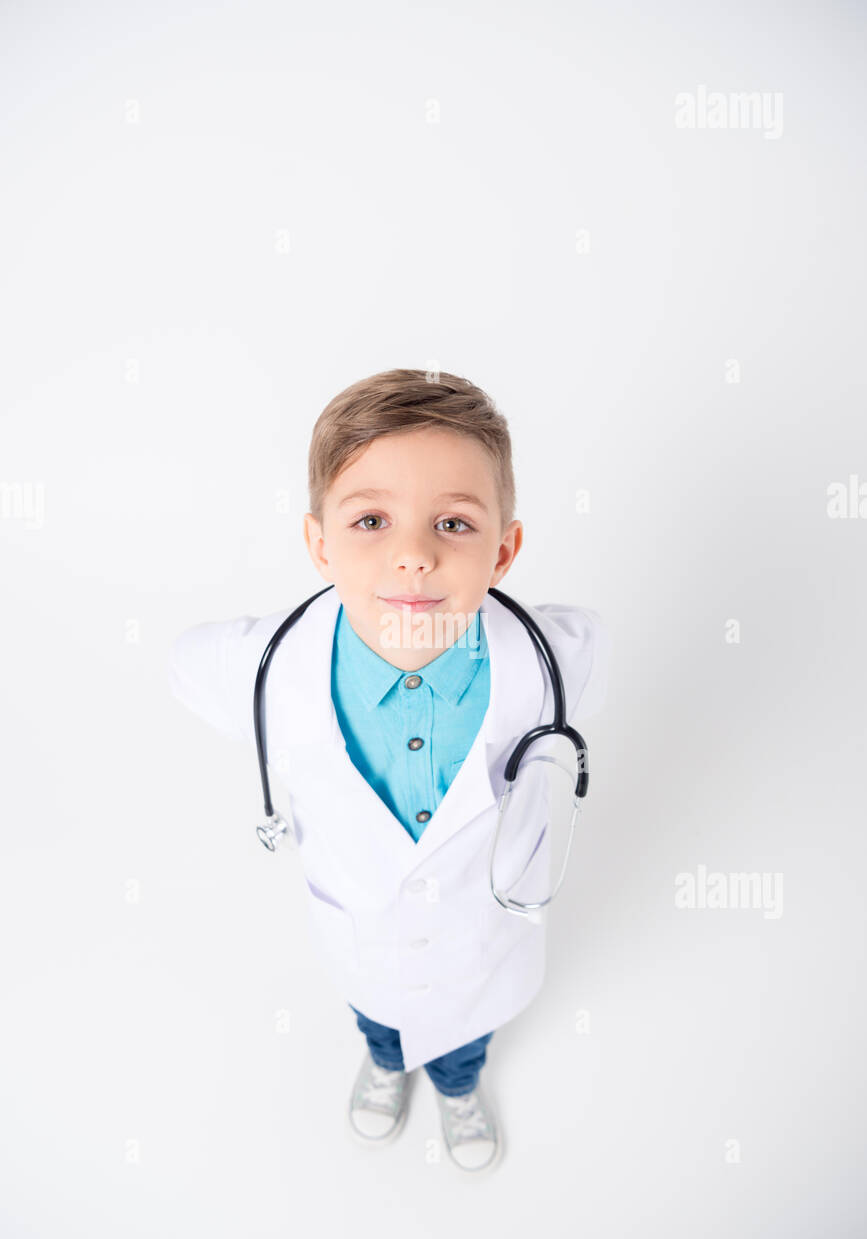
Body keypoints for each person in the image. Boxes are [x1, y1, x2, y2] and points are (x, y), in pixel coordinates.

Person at [169, 368, 610, 1175]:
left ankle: (456, 1083)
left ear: (503, 551)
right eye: (371, 520)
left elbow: (589, 644)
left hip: (485, 940)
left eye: (452, 522)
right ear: (319, 545)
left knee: (466, 1035)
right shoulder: (260, 669)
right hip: (360, 936)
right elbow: (183, 662)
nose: (412, 556)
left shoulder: (555, 658)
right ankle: (384, 1063)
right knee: (377, 1019)